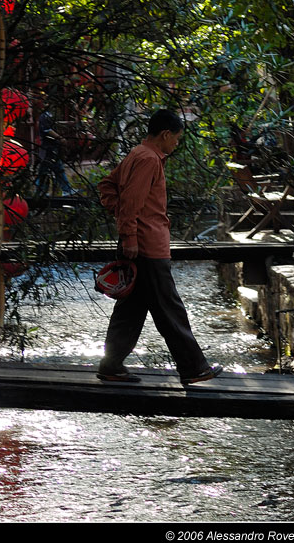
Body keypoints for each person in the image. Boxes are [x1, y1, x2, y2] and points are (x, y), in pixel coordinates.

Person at [96, 108, 223, 386]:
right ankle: (194, 368)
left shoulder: (136, 154)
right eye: (176, 139)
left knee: (130, 310)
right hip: (147, 246)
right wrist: (129, 233)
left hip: (140, 243)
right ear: (165, 134)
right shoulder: (149, 159)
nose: (175, 145)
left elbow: (107, 186)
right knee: (169, 308)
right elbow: (132, 201)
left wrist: (120, 216)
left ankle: (111, 365)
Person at [35, 105, 75, 196]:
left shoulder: (49, 115)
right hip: (47, 147)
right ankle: (40, 191)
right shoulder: (44, 116)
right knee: (44, 169)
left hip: (52, 146)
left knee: (57, 168)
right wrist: (60, 138)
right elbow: (47, 130)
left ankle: (66, 189)